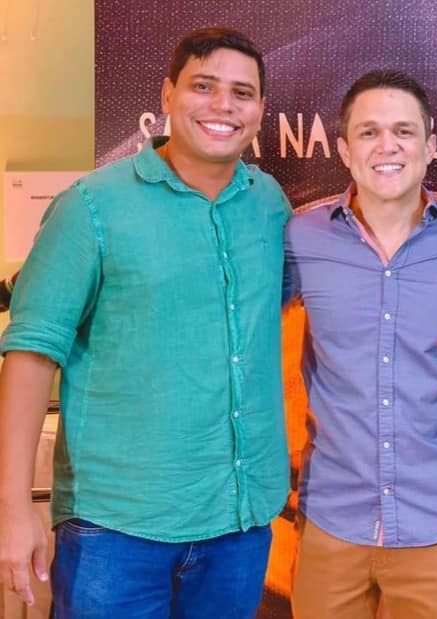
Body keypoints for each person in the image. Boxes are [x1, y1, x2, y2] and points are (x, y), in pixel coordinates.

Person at [0, 27, 290, 617]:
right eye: (203, 86)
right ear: (167, 94)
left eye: (242, 93)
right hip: (115, 533)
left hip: (240, 523)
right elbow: (30, 353)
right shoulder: (92, 206)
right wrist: (12, 507)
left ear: (260, 109)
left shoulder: (269, 203)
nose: (223, 106)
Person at [283, 69, 437, 619]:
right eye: (368, 132)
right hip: (331, 528)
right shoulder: (300, 240)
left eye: (404, 131)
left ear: (431, 147)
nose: (387, 146)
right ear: (344, 150)